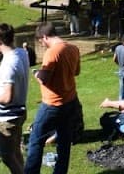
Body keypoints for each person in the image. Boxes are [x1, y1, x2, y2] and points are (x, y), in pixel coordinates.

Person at [24, 22, 81, 174]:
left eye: (41, 41)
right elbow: (76, 72)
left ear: (44, 37)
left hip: (53, 104)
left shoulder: (52, 52)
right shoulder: (73, 48)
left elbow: (44, 79)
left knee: (36, 140)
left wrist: (36, 73)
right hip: (70, 101)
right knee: (64, 141)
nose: (41, 44)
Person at [0, 24, 28, 174]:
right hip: (19, 112)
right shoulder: (22, 53)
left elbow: (7, 97)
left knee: (7, 157)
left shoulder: (8, 64)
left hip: (7, 119)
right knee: (15, 151)